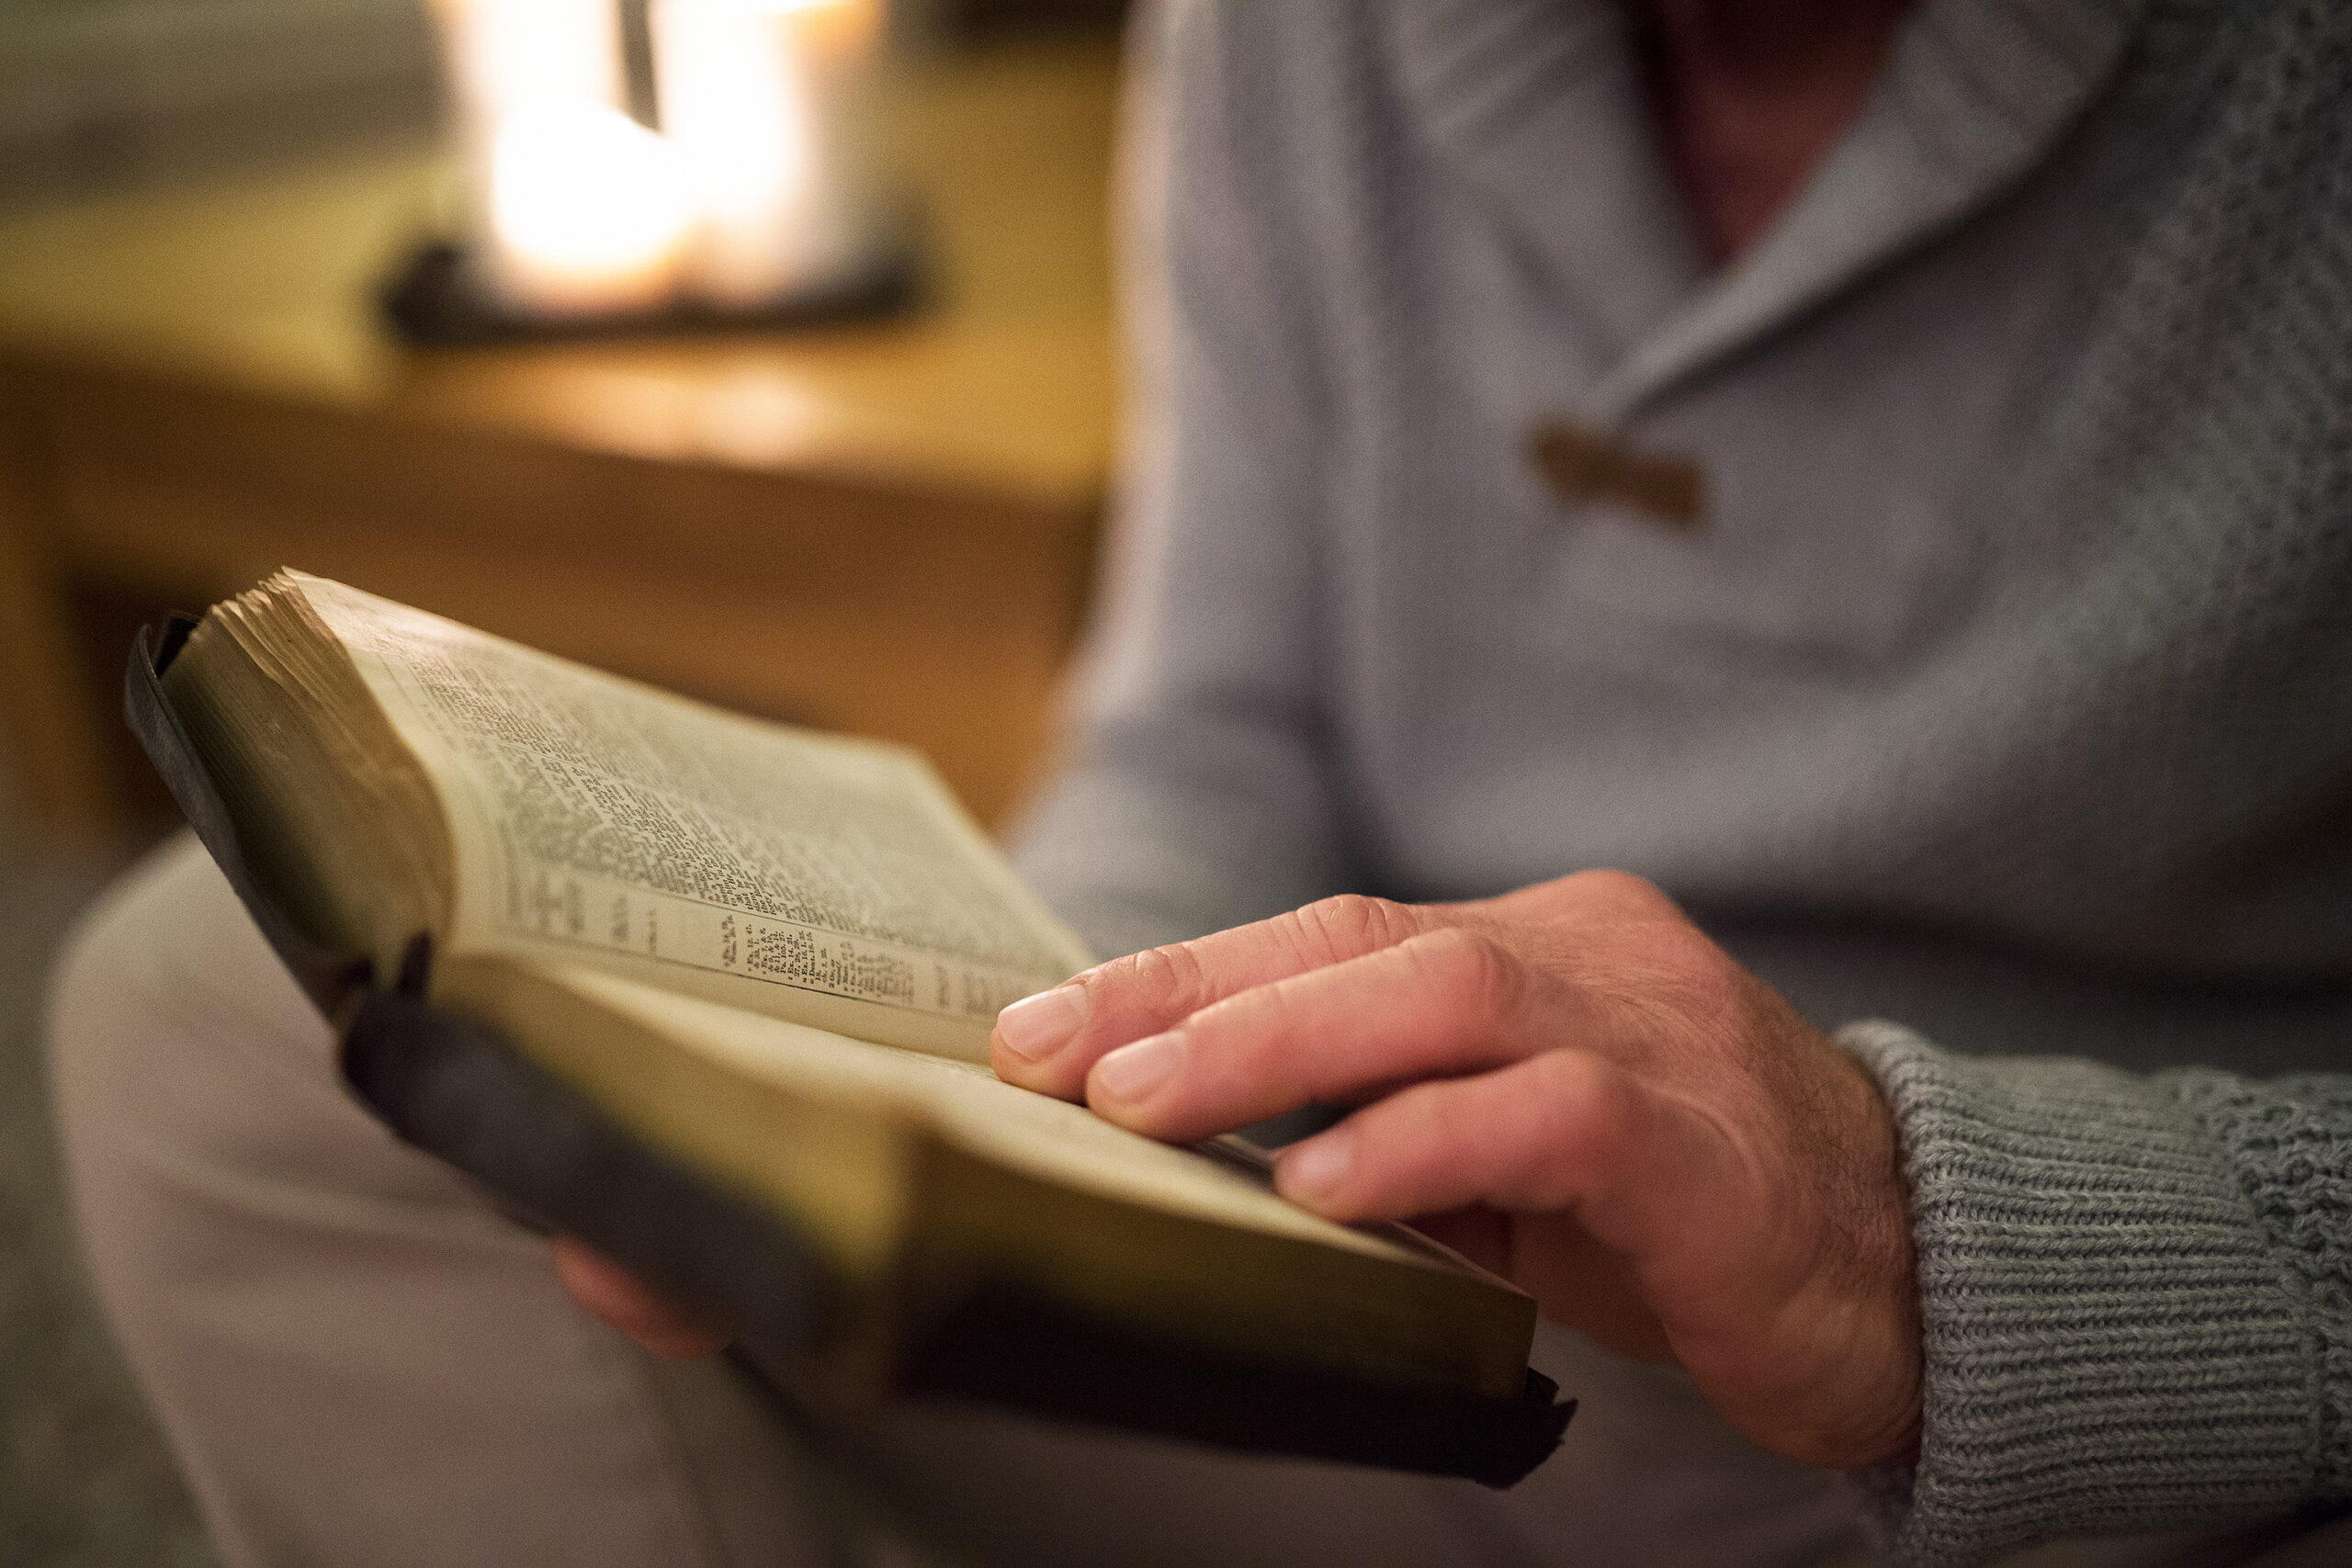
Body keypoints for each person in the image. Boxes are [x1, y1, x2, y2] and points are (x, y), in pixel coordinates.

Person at [45, 0, 2352, 1563]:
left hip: (2138, 1408)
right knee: (212, 999)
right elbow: (1210, 724)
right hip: (1422, 1297)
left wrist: (1894, 1230)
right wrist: (1004, 1065)